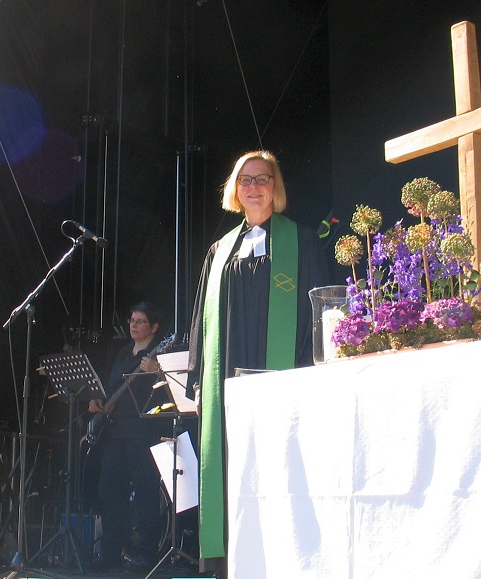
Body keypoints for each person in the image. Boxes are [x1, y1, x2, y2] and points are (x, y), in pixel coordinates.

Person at [186, 150, 333, 575]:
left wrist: (306, 371)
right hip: (225, 378)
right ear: (235, 189)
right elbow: (201, 320)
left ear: (275, 187)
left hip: (279, 377)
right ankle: (229, 561)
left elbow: (315, 311)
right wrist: (198, 380)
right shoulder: (220, 250)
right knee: (230, 462)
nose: (254, 187)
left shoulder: (300, 240)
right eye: (245, 179)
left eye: (262, 179)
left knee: (276, 465)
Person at [87, 302, 165, 572]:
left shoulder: (160, 354)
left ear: (154, 327)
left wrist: (156, 371)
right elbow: (112, 391)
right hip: (116, 432)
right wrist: (100, 401)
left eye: (141, 321)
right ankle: (110, 553)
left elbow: (170, 395)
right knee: (110, 492)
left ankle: (146, 554)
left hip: (144, 433)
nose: (133, 325)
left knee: (145, 492)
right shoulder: (121, 352)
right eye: (132, 319)